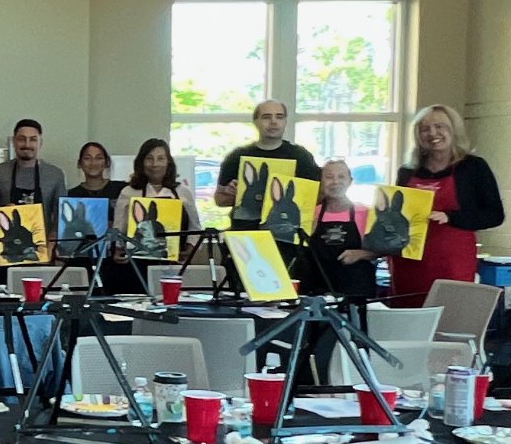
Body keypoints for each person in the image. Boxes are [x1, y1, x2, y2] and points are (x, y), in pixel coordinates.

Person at [390, 104, 504, 307]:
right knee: (410, 318)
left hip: (452, 263)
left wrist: (450, 217)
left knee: (451, 315)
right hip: (408, 263)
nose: (432, 133)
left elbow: (495, 215)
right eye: (425, 129)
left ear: (453, 129)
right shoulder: (407, 171)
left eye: (439, 126)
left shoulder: (473, 167)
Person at [213, 100, 321, 230]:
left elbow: (317, 197)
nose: (273, 122)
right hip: (245, 233)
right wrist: (231, 193)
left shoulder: (301, 156)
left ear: (285, 121)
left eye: (279, 117)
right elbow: (219, 200)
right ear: (256, 121)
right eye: (266, 117)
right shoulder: (237, 156)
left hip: (286, 234)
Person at [114, 139, 204, 284]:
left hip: (174, 263)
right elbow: (119, 227)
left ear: (169, 162)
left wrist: (190, 248)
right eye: (149, 158)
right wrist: (118, 248)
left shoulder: (182, 192)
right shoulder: (129, 192)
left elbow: (195, 227)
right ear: (141, 162)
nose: (155, 164)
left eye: (160, 158)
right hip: (136, 264)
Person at [65, 142, 139, 294]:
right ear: (79, 163)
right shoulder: (71, 195)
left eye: (99, 158)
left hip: (118, 260)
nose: (93, 163)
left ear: (106, 163)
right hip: (83, 262)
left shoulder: (122, 189)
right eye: (87, 158)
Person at [303, 160, 378, 298]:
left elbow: (385, 250)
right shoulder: (309, 214)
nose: (335, 182)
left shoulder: (366, 213)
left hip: (356, 291)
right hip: (317, 291)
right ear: (321, 182)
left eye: (341, 176)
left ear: (350, 181)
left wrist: (361, 254)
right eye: (329, 177)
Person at [0, 119, 67, 225]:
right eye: (21, 139)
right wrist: (2, 211)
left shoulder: (55, 174)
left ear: (40, 143)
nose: (27, 144)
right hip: (8, 234)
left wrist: (53, 234)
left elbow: (61, 215)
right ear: (14, 141)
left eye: (33, 140)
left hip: (45, 235)